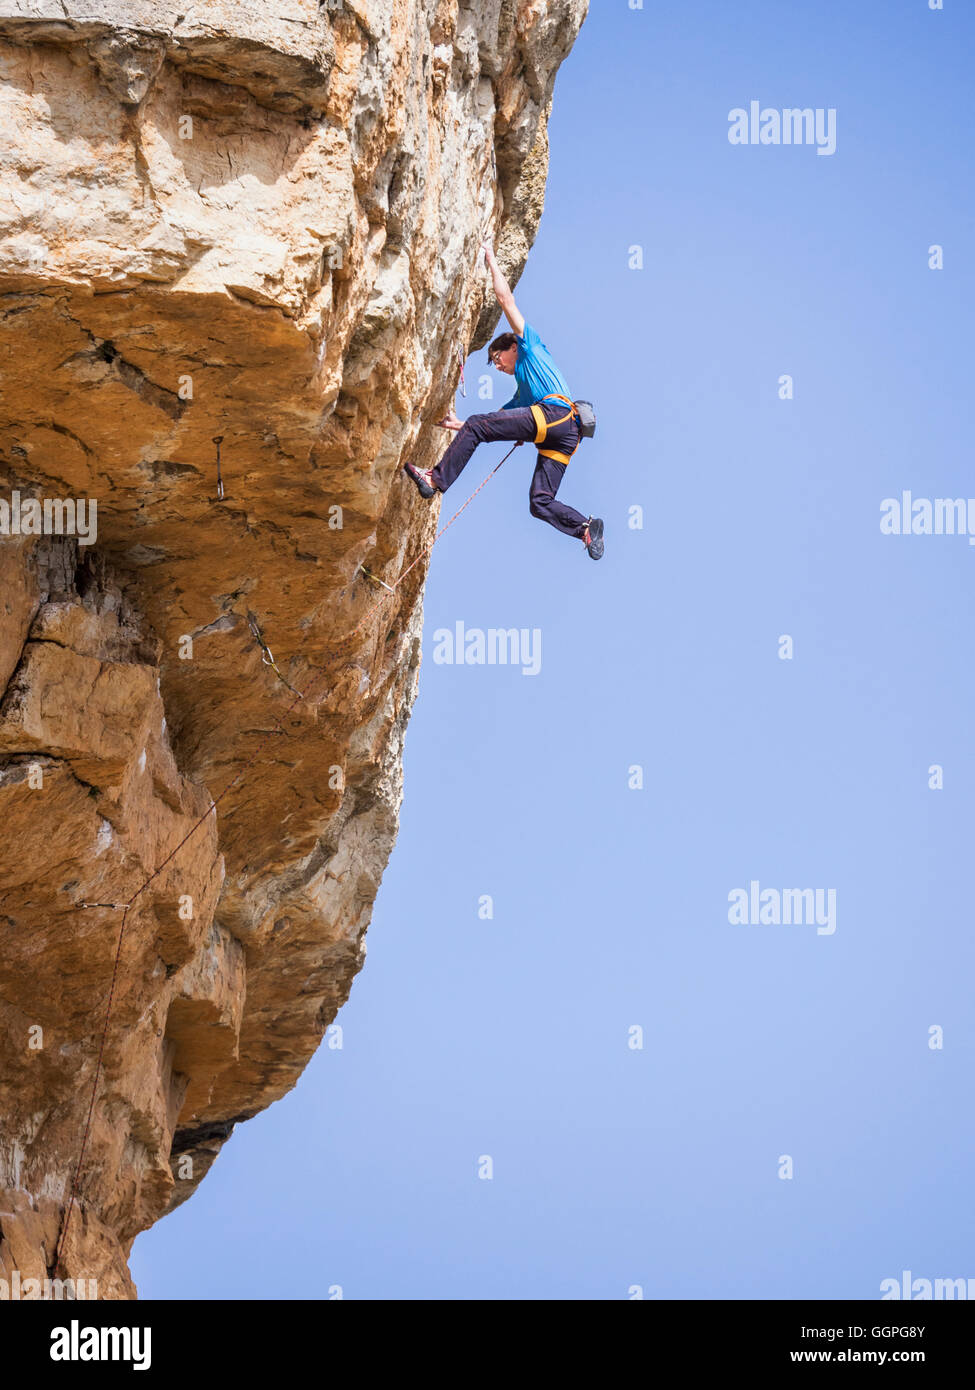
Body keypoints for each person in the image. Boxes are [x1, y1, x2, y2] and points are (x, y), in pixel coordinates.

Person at [404, 242, 604, 560]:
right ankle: (584, 528)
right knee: (539, 501)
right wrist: (458, 424)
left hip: (557, 415)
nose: (497, 366)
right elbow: (491, 423)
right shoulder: (522, 393)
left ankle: (435, 478)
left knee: (479, 426)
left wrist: (491, 259)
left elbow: (505, 300)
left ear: (512, 346)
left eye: (497, 358)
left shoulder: (530, 347)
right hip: (564, 437)